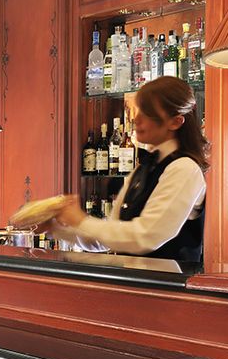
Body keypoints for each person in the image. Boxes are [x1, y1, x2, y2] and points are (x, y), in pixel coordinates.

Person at [50, 76, 208, 261]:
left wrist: (80, 220)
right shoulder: (144, 168)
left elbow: (145, 237)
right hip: (134, 278)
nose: (137, 119)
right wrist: (56, 229)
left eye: (148, 113)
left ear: (175, 122)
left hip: (167, 279)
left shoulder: (184, 169)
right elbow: (109, 237)